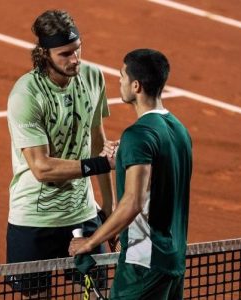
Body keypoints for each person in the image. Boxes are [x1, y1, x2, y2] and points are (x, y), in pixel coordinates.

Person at [6, 9, 115, 297]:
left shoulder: (92, 77)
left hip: (83, 212)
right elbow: (41, 168)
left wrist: (109, 206)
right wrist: (99, 165)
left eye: (77, 50)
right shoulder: (26, 95)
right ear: (44, 54)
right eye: (65, 54)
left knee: (98, 294)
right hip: (34, 219)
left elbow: (96, 137)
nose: (75, 60)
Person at [69, 49, 193, 299]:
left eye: (122, 76)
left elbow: (133, 201)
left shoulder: (138, 135)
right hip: (173, 261)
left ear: (136, 86)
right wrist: (124, 156)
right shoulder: (179, 130)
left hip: (142, 265)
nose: (119, 81)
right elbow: (160, 179)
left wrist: (91, 242)